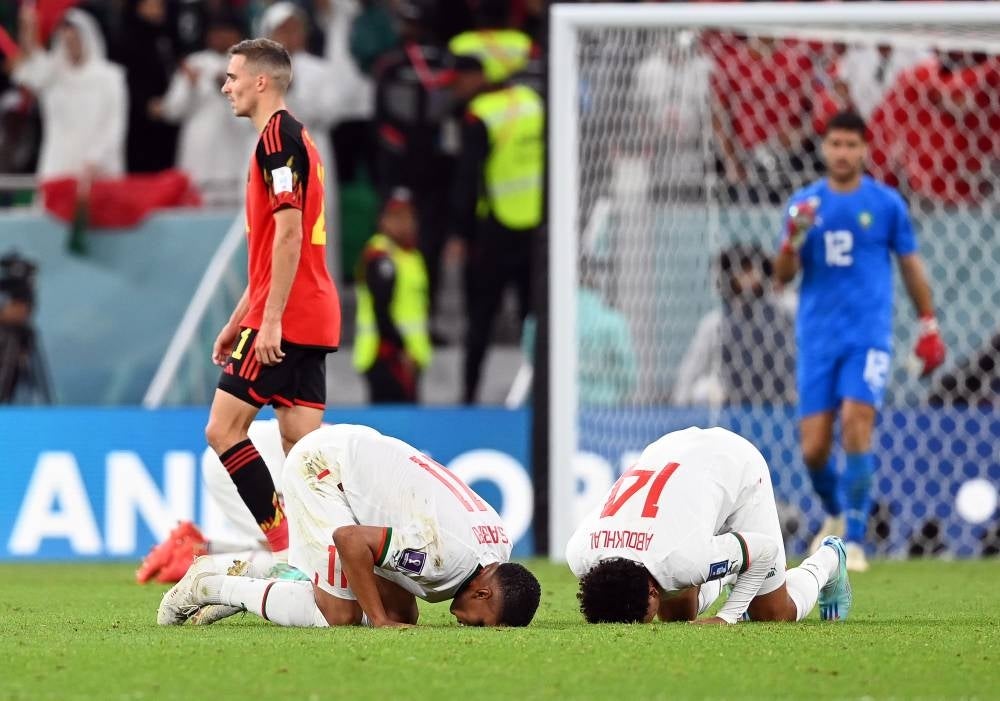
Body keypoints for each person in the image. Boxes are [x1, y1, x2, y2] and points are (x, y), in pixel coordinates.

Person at [773, 110, 946, 572]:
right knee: (812, 449)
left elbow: (910, 265)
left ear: (865, 149)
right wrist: (794, 238)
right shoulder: (803, 206)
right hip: (817, 339)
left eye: (852, 145)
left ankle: (853, 539)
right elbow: (782, 277)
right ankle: (834, 511)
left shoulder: (886, 205)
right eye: (836, 145)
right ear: (823, 149)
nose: (843, 153)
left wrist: (927, 322)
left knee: (856, 418)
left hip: (867, 336)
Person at [158, 424, 542, 628]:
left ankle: (249, 568)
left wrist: (389, 614)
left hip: (360, 461)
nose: (469, 628)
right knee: (339, 615)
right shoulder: (444, 559)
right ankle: (210, 584)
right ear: (484, 596)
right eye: (480, 625)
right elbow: (350, 539)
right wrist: (377, 621)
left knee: (403, 616)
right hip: (325, 472)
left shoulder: (497, 546)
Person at [203, 38, 341, 565]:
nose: (226, 86)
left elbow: (289, 235)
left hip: (289, 315)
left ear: (261, 81)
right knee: (303, 447)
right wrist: (237, 320)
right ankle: (336, 555)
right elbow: (269, 255)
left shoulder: (277, 139)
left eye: (233, 75)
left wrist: (270, 322)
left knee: (223, 428)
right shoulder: (294, 138)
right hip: (307, 311)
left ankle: (286, 551)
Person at [567, 426, 853, 625]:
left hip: (735, 463)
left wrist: (726, 617)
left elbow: (764, 551)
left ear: (652, 592)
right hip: (670, 450)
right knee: (677, 615)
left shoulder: (682, 558)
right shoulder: (579, 553)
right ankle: (727, 564)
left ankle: (829, 560)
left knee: (773, 613)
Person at [450, 44, 543, 404]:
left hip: (496, 230)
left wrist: (459, 232)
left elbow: (467, 178)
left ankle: (469, 397)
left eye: (458, 80)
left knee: (481, 319)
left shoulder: (480, 115)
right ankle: (540, 397)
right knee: (532, 322)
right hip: (537, 227)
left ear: (477, 78)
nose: (454, 88)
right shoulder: (534, 102)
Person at [8, 5, 127, 182]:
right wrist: (28, 30)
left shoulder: (110, 77)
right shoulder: (52, 75)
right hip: (58, 166)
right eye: (66, 40)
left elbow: (114, 125)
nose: (71, 45)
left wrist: (96, 159)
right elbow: (26, 72)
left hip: (99, 170)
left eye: (76, 39)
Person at [673, 244, 795, 407]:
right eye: (742, 270)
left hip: (781, 402)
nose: (748, 277)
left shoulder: (785, 315)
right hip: (731, 405)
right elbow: (689, 376)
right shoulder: (716, 323)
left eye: (752, 270)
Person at [151, 13, 253, 205]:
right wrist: (191, 87)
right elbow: (173, 111)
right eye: (215, 32)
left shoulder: (251, 66)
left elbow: (254, 115)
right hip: (199, 162)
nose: (220, 37)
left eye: (226, 32)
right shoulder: (194, 63)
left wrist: (227, 89)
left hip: (234, 162)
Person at [353, 188, 432, 403]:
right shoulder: (380, 256)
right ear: (383, 221)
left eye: (409, 216)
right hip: (387, 357)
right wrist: (401, 351)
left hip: (409, 356)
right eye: (397, 217)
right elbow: (381, 310)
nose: (405, 223)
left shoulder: (411, 256)